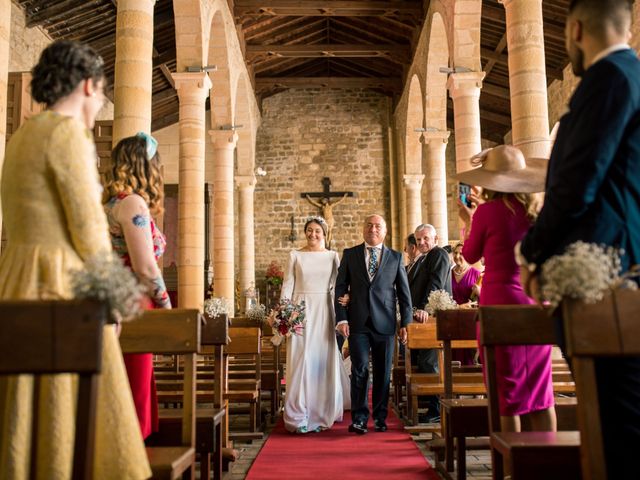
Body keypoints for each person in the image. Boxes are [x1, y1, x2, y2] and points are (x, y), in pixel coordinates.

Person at [0, 40, 150, 479]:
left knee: (22, 412)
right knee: (72, 420)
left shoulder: (23, 135)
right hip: (60, 287)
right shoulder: (67, 133)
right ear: (89, 85)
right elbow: (89, 230)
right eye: (102, 94)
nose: (99, 104)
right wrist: (114, 302)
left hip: (15, 279)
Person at [517, 1, 640, 476]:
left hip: (611, 281)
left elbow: (576, 182)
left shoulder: (610, 79)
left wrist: (532, 251)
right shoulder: (628, 76)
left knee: (618, 426)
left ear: (573, 28)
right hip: (615, 271)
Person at [455, 145, 556, 437]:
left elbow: (471, 255)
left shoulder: (487, 212)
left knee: (506, 392)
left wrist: (469, 221)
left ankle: (512, 467)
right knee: (540, 392)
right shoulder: (538, 211)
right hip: (535, 300)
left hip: (499, 303)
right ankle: (545, 463)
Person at [102, 133, 171, 439]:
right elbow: (145, 266)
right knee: (133, 394)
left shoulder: (113, 203)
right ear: (145, 166)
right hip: (134, 306)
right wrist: (167, 306)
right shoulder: (132, 203)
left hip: (119, 302)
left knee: (125, 390)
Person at [335, 214, 412, 434]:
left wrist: (405, 324)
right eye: (369, 225)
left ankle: (379, 417)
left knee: (382, 371)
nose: (373, 229)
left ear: (385, 231)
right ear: (363, 229)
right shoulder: (350, 255)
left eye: (378, 226)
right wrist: (341, 318)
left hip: (385, 323)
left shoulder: (396, 258)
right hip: (358, 322)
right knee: (359, 370)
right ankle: (359, 418)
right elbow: (340, 287)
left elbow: (404, 296)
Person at [280, 216, 350, 433]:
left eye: (317, 231)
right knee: (301, 359)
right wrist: (286, 312)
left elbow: (340, 286)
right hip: (299, 311)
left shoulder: (332, 256)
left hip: (324, 309)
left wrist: (344, 305)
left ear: (324, 233)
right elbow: (287, 285)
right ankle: (298, 412)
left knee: (321, 359)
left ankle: (322, 411)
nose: (313, 234)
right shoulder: (295, 255)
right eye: (309, 230)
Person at [410, 224, 452, 423]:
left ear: (435, 239)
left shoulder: (439, 254)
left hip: (433, 317)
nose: (422, 242)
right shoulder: (423, 258)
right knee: (424, 361)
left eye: (426, 238)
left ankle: (437, 408)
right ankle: (431, 404)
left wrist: (424, 309)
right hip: (422, 319)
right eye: (418, 240)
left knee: (430, 361)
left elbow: (436, 283)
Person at [451, 243, 482, 366]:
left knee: (468, 360)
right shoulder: (448, 273)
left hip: (469, 322)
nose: (457, 256)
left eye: (461, 253)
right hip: (451, 320)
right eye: (455, 253)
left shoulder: (476, 274)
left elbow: (482, 301)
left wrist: (479, 293)